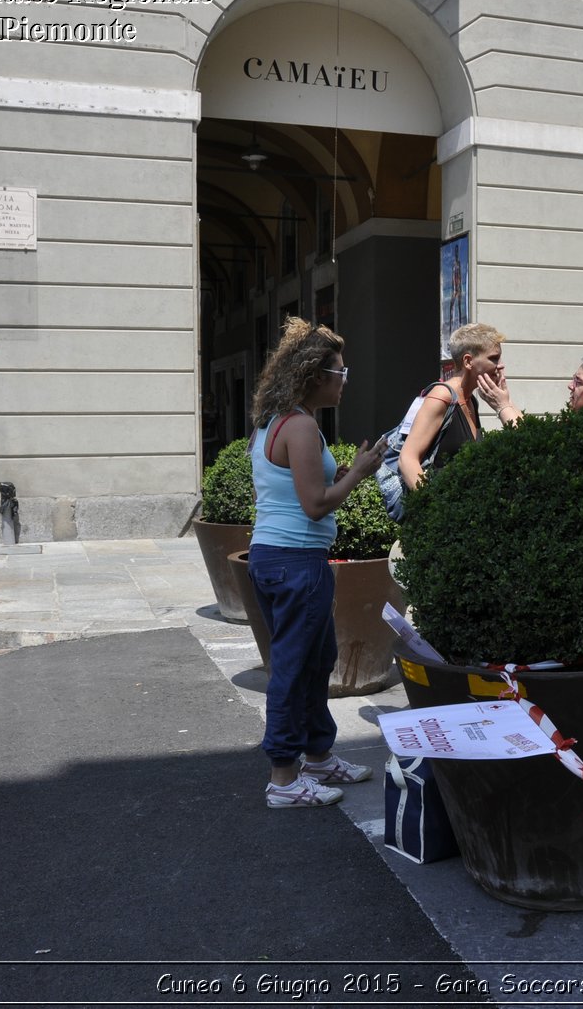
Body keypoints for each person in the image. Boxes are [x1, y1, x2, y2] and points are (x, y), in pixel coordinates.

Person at [247, 317, 387, 808]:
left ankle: (319, 756)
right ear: (315, 375)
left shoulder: (274, 421)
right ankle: (283, 779)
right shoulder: (302, 426)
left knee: (315, 660)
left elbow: (297, 493)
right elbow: (315, 505)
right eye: (340, 372)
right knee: (292, 668)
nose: (344, 380)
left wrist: (344, 474)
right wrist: (361, 474)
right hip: (296, 563)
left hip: (276, 557)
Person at [400, 323, 521, 491]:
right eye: (493, 358)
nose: (500, 365)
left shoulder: (471, 400)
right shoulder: (441, 397)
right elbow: (407, 459)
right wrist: (430, 505)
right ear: (468, 361)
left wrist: (505, 402)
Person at [476, 351, 583, 419]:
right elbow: (532, 432)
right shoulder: (580, 423)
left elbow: (534, 446)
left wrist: (502, 406)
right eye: (573, 379)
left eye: (578, 382)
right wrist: (506, 401)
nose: (570, 386)